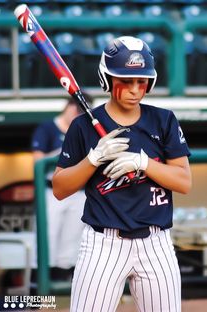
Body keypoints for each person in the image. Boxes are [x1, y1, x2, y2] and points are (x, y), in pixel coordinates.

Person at [52, 36, 192, 311]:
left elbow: (184, 182)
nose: (135, 89)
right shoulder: (83, 126)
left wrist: (143, 163)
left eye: (142, 81)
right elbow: (59, 188)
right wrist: (93, 159)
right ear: (107, 79)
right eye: (125, 81)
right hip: (103, 244)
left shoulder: (163, 120)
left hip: (156, 243)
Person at [31, 93, 93, 276]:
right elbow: (37, 161)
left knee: (72, 241)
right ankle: (40, 287)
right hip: (53, 190)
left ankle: (63, 286)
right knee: (47, 235)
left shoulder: (84, 131)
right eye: (75, 108)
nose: (77, 113)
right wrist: (61, 153)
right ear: (68, 106)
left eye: (82, 111)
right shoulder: (48, 128)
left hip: (79, 190)